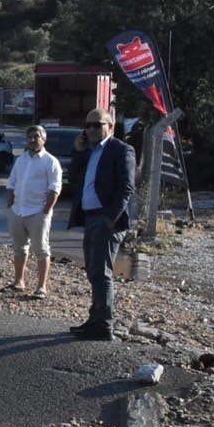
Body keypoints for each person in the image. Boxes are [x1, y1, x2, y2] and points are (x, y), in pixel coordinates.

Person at [66, 108, 136, 341]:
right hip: (90, 217)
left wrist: (111, 217)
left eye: (97, 125)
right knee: (94, 270)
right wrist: (78, 152)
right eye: (88, 125)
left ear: (110, 126)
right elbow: (73, 179)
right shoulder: (88, 151)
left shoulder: (121, 150)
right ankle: (95, 319)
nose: (92, 129)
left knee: (102, 272)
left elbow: (127, 187)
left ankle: (104, 325)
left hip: (106, 219)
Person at [5, 125, 62, 299]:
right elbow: (11, 184)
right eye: (29, 136)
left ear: (43, 139)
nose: (32, 139)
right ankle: (18, 281)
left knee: (41, 250)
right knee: (19, 248)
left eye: (36, 136)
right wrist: (10, 208)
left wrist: (46, 211)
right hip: (18, 211)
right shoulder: (21, 160)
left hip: (38, 212)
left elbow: (55, 189)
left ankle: (41, 286)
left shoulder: (51, 162)